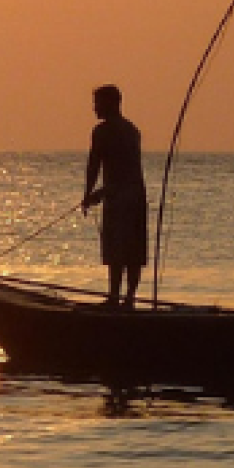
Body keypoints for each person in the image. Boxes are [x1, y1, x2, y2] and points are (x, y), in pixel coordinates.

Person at [81, 84, 148, 308]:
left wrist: (91, 194)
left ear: (111, 103)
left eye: (97, 103)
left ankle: (115, 298)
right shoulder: (133, 130)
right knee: (132, 251)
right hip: (136, 196)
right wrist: (95, 193)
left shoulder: (102, 132)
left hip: (121, 197)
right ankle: (127, 298)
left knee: (119, 250)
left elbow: (95, 165)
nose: (94, 108)